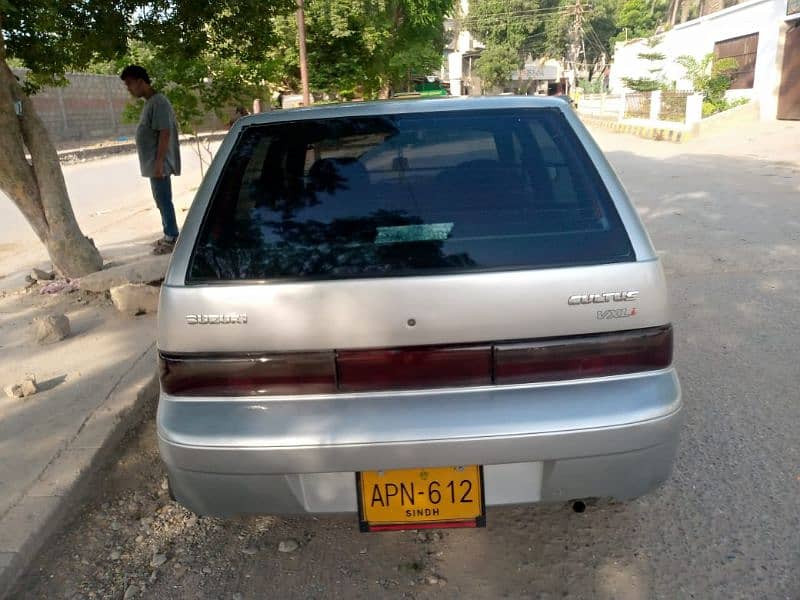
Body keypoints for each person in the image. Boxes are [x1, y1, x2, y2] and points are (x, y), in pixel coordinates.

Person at [120, 65, 181, 254]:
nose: (128, 88)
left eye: (130, 84)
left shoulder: (159, 102)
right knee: (160, 199)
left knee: (163, 199)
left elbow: (164, 133)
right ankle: (168, 233)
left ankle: (172, 236)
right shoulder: (150, 102)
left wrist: (159, 163)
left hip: (159, 164)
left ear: (141, 82)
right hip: (155, 164)